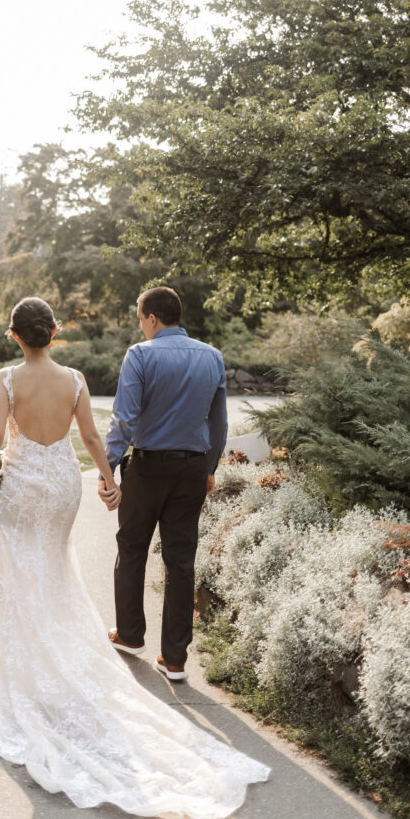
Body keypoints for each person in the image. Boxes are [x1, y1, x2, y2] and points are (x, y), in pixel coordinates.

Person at [0, 296, 270, 819]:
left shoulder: (16, 377)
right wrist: (118, 473)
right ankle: (172, 656)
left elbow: (6, 434)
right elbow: (104, 433)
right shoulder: (90, 375)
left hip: (54, 479)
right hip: (94, 481)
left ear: (15, 335)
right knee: (142, 561)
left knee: (71, 557)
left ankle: (87, 643)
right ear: (54, 332)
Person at [99, 286, 227, 681]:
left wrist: (108, 470)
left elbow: (125, 419)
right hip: (191, 470)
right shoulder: (213, 356)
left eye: (141, 318)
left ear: (152, 317)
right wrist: (209, 468)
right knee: (181, 560)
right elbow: (218, 422)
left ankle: (131, 634)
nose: (141, 326)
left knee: (133, 547)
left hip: (149, 467)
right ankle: (175, 659)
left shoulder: (140, 354)